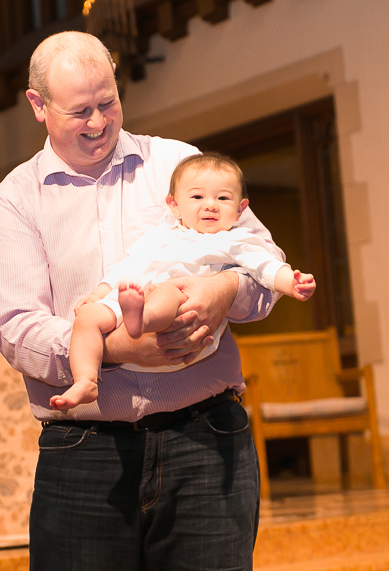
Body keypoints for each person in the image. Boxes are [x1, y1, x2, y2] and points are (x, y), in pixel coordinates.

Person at [0, 31, 280, 570]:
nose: (98, 122)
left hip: (206, 438)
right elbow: (16, 327)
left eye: (108, 103)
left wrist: (224, 289)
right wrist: (118, 350)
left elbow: (260, 259)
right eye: (80, 111)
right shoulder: (17, 198)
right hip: (85, 453)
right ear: (37, 105)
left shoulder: (179, 165)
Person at [51, 152, 316, 410]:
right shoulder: (161, 234)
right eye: (197, 196)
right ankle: (85, 379)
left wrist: (291, 283)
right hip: (132, 295)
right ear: (174, 205)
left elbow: (266, 267)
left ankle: (141, 320)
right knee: (86, 318)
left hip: (178, 311)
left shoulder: (235, 240)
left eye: (223, 198)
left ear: (239, 209)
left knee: (169, 291)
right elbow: (127, 266)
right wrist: (99, 294)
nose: (210, 204)